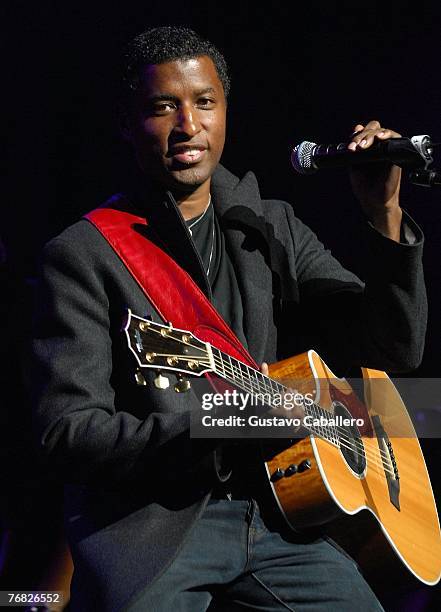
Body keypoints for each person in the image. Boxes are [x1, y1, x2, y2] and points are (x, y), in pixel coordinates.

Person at [31, 26, 427, 611]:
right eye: (164, 107)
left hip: (278, 517)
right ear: (126, 124)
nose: (188, 125)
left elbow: (392, 352)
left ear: (225, 115)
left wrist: (384, 213)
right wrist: (221, 423)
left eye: (205, 103)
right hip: (155, 529)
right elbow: (67, 433)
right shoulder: (84, 255)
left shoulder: (270, 225)